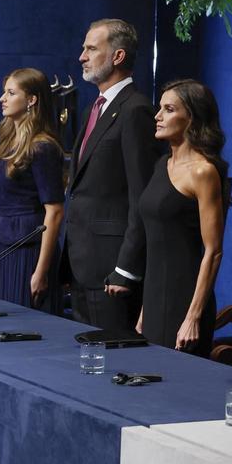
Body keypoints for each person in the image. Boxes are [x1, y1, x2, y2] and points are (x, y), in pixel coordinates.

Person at [105, 79, 228, 355]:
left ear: (192, 119)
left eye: (169, 109)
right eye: (159, 108)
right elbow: (157, 242)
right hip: (154, 298)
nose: (158, 116)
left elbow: (214, 251)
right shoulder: (162, 164)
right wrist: (145, 309)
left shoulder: (203, 172)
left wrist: (193, 316)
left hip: (185, 300)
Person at [64, 18, 160, 329]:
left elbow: (141, 196)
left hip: (111, 269)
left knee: (112, 366)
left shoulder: (135, 110)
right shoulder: (98, 106)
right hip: (82, 262)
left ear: (118, 56)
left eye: (91, 49)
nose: (82, 56)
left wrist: (127, 268)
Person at [0, 68, 65, 309]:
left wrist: (41, 271)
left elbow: (55, 211)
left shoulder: (43, 147)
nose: (2, 98)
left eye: (10, 93)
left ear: (31, 100)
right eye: (3, 92)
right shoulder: (8, 142)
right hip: (4, 245)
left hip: (29, 250)